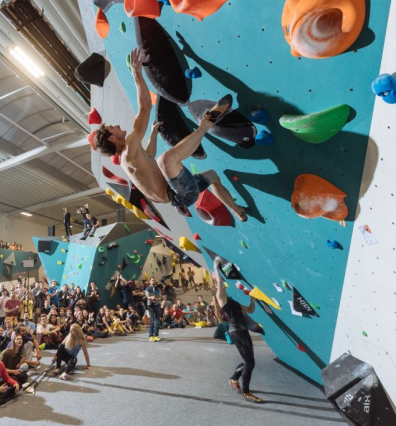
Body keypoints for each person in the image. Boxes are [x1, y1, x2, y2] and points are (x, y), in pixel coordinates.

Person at [93, 47, 247, 221]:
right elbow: (145, 107)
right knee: (165, 160)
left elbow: (149, 155)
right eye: (111, 127)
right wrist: (137, 76)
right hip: (180, 193)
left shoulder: (127, 160)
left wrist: (152, 133)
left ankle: (237, 210)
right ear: (112, 138)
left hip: (177, 195)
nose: (116, 125)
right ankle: (206, 123)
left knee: (212, 176)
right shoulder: (128, 151)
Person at [213, 258, 262, 403]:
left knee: (248, 361)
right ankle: (246, 392)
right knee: (250, 363)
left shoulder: (233, 301)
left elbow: (250, 310)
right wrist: (216, 267)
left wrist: (252, 299)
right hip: (237, 333)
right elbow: (220, 283)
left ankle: (234, 379)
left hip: (244, 332)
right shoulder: (221, 298)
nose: (222, 286)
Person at [145, 278, 162, 342]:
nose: (153, 281)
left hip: (157, 305)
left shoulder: (158, 289)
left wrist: (156, 299)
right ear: (150, 281)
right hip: (150, 306)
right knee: (151, 321)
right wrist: (151, 298)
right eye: (152, 280)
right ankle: (151, 336)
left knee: (157, 322)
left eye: (154, 280)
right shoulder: (147, 289)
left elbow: (160, 297)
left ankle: (156, 335)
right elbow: (147, 296)